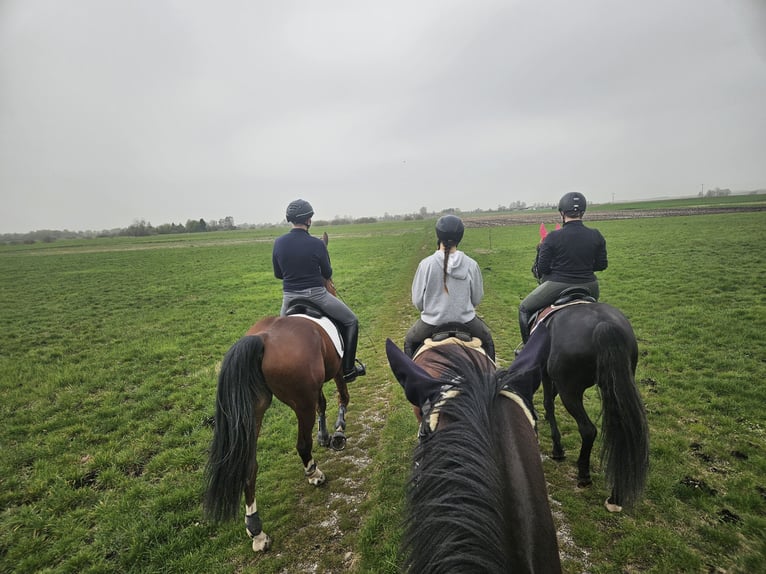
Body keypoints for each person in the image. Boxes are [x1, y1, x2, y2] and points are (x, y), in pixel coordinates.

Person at [272, 199, 366, 382]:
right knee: (351, 321)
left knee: (276, 335)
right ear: (308, 219)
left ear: (290, 219)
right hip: (317, 296)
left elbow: (278, 274)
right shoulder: (317, 244)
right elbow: (327, 273)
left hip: (289, 299)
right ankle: (348, 369)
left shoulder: (279, 242)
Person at [517, 191, 607, 345]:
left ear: (562, 213)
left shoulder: (552, 237)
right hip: (590, 286)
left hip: (558, 285)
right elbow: (602, 265)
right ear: (582, 212)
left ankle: (527, 349)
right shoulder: (596, 235)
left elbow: (542, 268)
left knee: (524, 308)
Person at [404, 214, 496, 361]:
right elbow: (477, 298)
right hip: (466, 321)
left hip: (432, 322)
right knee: (488, 340)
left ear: (438, 235)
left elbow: (417, 301)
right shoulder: (471, 264)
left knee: (410, 341)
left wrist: (433, 309)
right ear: (460, 236)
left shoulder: (426, 264)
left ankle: (410, 380)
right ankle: (492, 379)